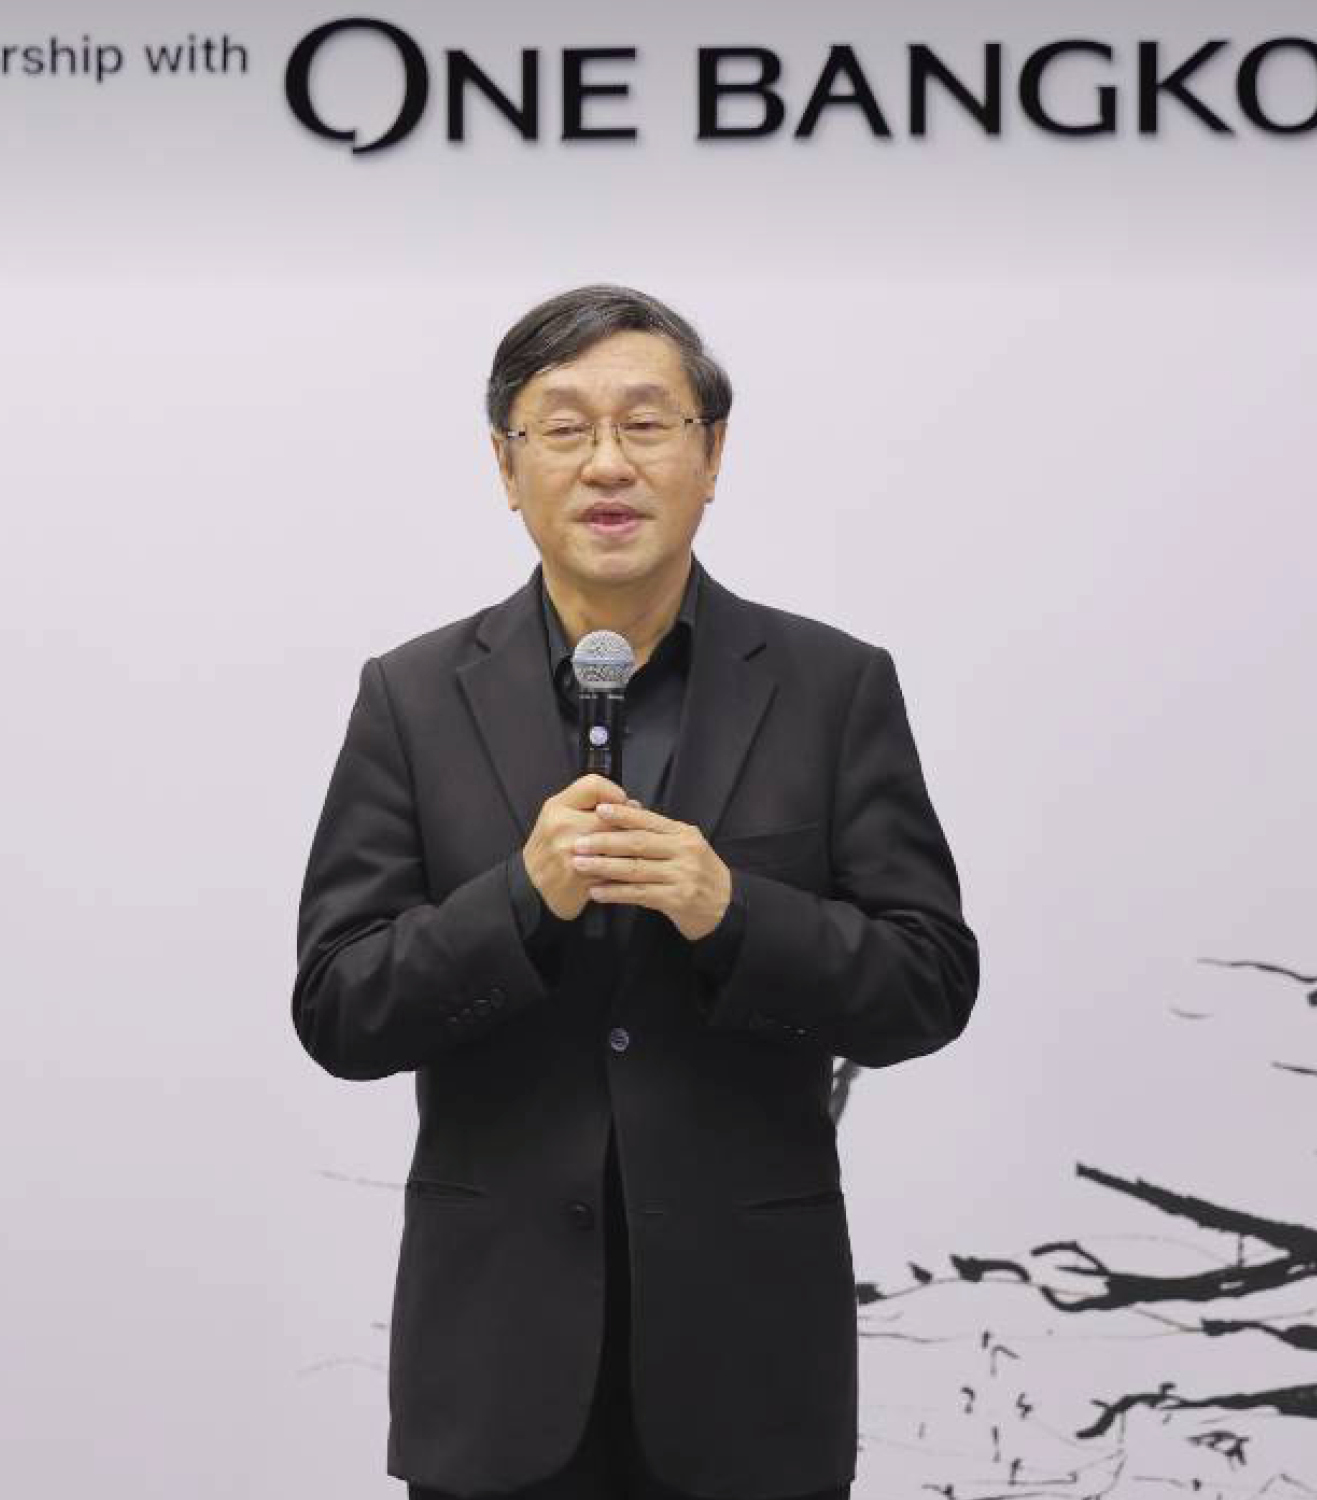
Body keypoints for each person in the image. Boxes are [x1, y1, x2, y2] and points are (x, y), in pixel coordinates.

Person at [292, 284, 981, 1500]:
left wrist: (732, 913)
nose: (607, 462)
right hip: (496, 1374)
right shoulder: (411, 696)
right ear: (506, 467)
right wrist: (521, 900)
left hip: (750, 1374)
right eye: (564, 428)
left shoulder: (832, 687)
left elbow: (926, 983)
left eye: (648, 424)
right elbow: (342, 1008)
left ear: (712, 456)